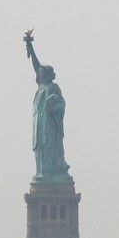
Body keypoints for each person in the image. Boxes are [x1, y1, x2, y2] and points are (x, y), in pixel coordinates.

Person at [24, 30, 71, 181]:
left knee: (49, 147)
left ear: (49, 75)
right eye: (41, 73)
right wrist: (30, 47)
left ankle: (54, 171)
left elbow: (61, 104)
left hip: (50, 126)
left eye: (44, 73)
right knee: (41, 148)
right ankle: (42, 173)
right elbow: (36, 65)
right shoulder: (41, 86)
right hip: (39, 125)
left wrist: (54, 108)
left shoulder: (52, 88)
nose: (41, 74)